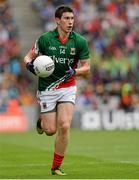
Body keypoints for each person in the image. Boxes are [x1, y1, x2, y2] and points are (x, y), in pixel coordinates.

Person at [24, 5, 90, 176]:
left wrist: (74, 71)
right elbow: (28, 56)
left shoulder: (80, 41)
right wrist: (29, 64)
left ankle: (56, 167)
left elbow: (87, 68)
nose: (70, 22)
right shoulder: (45, 39)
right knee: (50, 130)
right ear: (57, 20)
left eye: (72, 18)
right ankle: (41, 122)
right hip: (47, 88)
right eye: (66, 19)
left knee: (65, 125)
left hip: (68, 87)